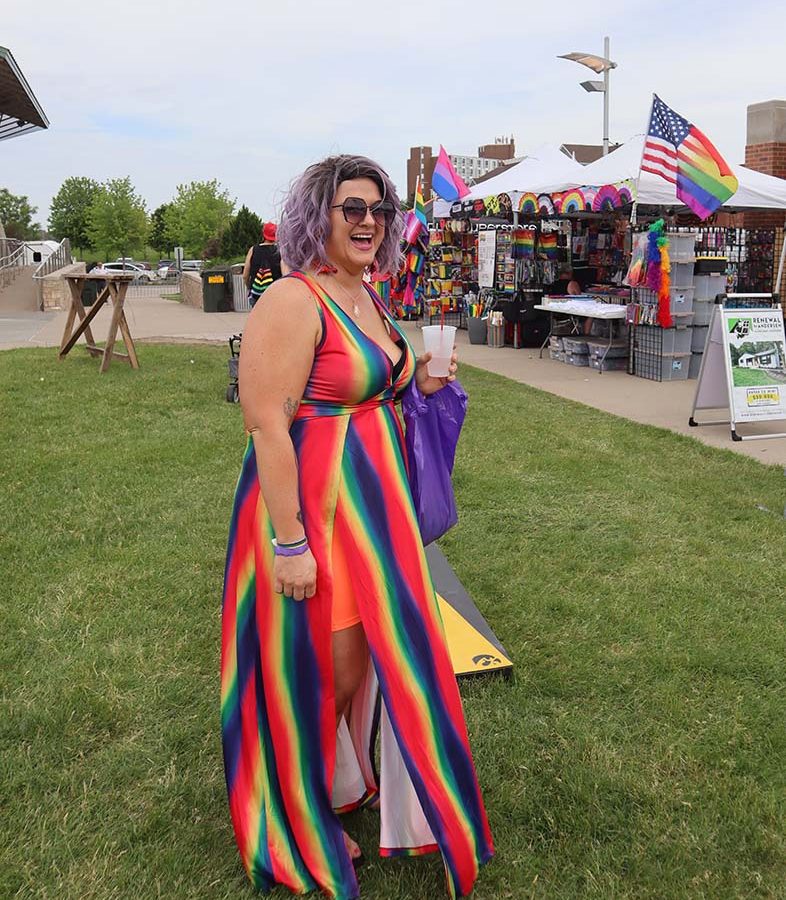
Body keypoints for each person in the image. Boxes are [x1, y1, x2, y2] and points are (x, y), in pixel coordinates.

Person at [221, 155, 493, 899]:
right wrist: (290, 543)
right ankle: (299, 807)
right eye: (352, 208)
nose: (368, 221)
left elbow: (378, 381)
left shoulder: (363, 292)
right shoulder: (292, 300)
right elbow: (266, 425)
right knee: (324, 670)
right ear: (320, 216)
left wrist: (422, 377)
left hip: (375, 521)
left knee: (370, 664)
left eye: (379, 208)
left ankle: (340, 783)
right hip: (319, 518)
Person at [242, 221, 285, 306]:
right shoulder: (281, 251)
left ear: (264, 234)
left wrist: (249, 287)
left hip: (257, 294)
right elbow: (285, 274)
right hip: (275, 294)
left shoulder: (253, 250)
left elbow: (245, 275)